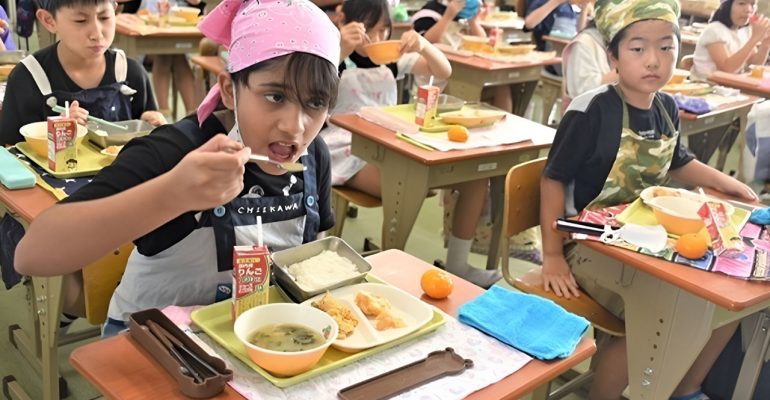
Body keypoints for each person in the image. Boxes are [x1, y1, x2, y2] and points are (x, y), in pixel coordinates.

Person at [14, 0, 341, 337]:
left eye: (315, 104)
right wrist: (172, 193)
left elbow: (310, 262)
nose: (295, 126)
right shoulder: (174, 151)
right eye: (275, 97)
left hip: (259, 335)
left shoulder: (314, 157)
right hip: (152, 341)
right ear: (230, 89)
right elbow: (33, 254)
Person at [540, 0, 758, 398]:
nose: (653, 60)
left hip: (645, 240)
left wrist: (726, 183)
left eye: (666, 47)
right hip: (587, 246)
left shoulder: (666, 107)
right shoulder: (591, 110)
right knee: (660, 315)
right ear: (614, 56)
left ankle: (685, 388)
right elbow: (553, 180)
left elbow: (678, 161)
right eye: (638, 49)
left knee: (726, 303)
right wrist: (552, 255)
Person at [321, 0, 498, 288]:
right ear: (346, 23)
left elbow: (443, 72)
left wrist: (423, 45)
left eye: (382, 31)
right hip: (346, 146)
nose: (377, 39)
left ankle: (458, 264)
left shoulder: (390, 59)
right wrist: (341, 47)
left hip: (392, 140)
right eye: (369, 31)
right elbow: (316, 89)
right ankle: (389, 269)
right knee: (400, 183)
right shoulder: (334, 57)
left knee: (475, 180)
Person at [0, 0, 165, 147]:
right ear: (48, 20)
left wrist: (153, 128)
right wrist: (55, 133)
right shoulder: (28, 78)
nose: (97, 34)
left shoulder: (130, 73)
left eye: (104, 17)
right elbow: (10, 154)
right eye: (81, 20)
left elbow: (150, 153)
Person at [690, 0, 770, 82]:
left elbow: (754, 64)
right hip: (706, 86)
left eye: (752, 4)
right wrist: (754, 39)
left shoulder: (744, 31)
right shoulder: (714, 30)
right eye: (741, 3)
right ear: (727, 6)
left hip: (731, 86)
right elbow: (727, 69)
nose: (748, 9)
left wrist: (766, 43)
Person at [561, 18, 615, 110]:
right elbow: (582, 92)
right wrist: (624, 71)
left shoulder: (617, 43)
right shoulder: (584, 43)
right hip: (588, 116)